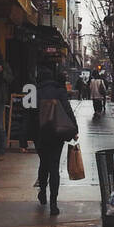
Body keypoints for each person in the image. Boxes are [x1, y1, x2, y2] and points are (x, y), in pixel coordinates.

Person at [34, 66, 76, 216]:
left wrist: (23, 139)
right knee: (54, 166)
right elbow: (67, 110)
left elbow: (30, 114)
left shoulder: (36, 92)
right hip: (57, 133)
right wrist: (74, 129)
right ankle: (53, 204)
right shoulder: (59, 91)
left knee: (43, 163)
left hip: (40, 134)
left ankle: (42, 193)